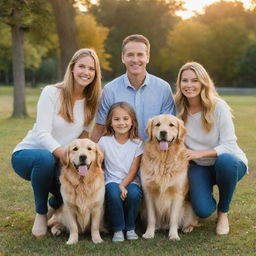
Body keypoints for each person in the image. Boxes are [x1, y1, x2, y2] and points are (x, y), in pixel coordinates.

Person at [11, 48, 102, 238]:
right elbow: (42, 132)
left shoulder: (91, 102)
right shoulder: (51, 92)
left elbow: (83, 137)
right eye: (82, 66)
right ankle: (41, 214)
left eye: (91, 69)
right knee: (44, 158)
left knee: (78, 181)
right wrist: (63, 155)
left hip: (62, 159)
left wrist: (84, 158)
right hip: (30, 154)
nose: (86, 72)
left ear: (95, 73)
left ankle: (54, 208)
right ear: (72, 68)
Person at [174, 62, 248, 235]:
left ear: (203, 83)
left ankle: (223, 213)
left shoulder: (218, 106)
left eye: (194, 80)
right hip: (199, 166)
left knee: (226, 162)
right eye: (185, 81)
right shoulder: (176, 106)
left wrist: (198, 153)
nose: (189, 85)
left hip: (228, 162)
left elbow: (229, 145)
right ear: (179, 84)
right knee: (203, 210)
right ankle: (206, 197)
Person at [91, 34, 175, 142]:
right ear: (123, 57)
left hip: (154, 154)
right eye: (130, 55)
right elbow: (100, 129)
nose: (135, 60)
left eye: (140, 55)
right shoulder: (110, 90)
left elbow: (169, 128)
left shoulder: (163, 89)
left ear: (147, 57)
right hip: (120, 155)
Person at [98, 102, 143, 242]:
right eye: (116, 119)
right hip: (111, 180)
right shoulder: (104, 141)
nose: (121, 123)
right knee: (113, 193)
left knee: (134, 194)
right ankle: (117, 229)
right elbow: (99, 163)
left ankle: (130, 228)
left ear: (132, 122)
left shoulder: (138, 143)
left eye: (125, 119)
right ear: (110, 123)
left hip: (131, 180)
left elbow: (134, 170)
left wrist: (123, 185)